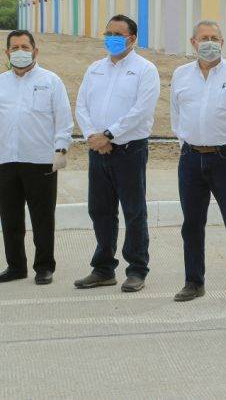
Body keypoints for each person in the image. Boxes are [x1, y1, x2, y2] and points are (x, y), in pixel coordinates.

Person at [170, 21, 226, 305]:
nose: (209, 42)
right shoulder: (181, 75)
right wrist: (187, 143)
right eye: (203, 38)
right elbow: (176, 115)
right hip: (191, 158)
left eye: (214, 38)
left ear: (222, 42)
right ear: (193, 42)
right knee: (192, 224)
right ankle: (193, 282)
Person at [74, 15, 160, 293]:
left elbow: (141, 110)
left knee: (134, 211)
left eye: (117, 34)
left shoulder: (145, 70)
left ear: (132, 39)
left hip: (129, 151)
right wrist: (93, 136)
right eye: (108, 33)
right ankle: (103, 269)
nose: (111, 38)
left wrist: (109, 134)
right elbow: (81, 105)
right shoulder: (95, 69)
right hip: (97, 150)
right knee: (100, 210)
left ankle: (136, 269)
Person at [0, 30, 73, 285]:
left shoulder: (51, 81)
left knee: (42, 217)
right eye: (15, 48)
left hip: (41, 160)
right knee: (10, 218)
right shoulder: (1, 82)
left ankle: (44, 267)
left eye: (25, 47)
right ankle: (15, 266)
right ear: (7, 52)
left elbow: (63, 119)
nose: (20, 52)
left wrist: (61, 149)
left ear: (35, 51)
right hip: (6, 160)